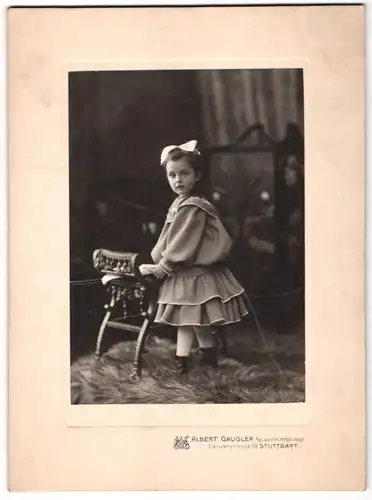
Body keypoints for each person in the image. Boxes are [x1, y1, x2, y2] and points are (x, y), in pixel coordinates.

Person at [139, 140, 249, 374]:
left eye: (184, 173)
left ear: (197, 175)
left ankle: (182, 362)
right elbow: (167, 236)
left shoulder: (194, 206)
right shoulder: (180, 203)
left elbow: (182, 241)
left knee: (186, 320)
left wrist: (163, 266)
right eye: (172, 175)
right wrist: (159, 259)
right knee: (196, 317)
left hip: (194, 272)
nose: (178, 180)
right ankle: (209, 357)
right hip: (186, 270)